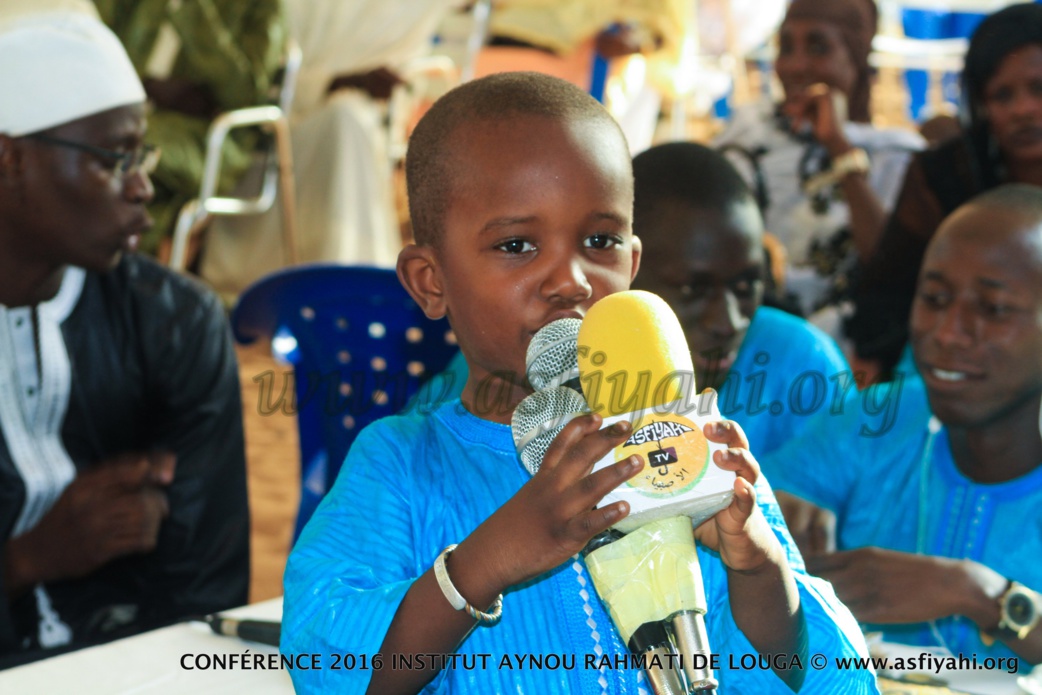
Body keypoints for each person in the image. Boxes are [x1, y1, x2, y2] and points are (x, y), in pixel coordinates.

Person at [281, 71, 876, 694]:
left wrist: (757, 564)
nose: (571, 280)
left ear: (634, 265)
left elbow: (824, 677)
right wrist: (485, 563)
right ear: (431, 281)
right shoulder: (400, 465)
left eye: (600, 240)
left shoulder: (681, 442)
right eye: (517, 244)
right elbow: (331, 666)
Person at [0, 8, 249, 662]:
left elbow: (206, 594)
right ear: (10, 158)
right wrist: (25, 558)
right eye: (115, 159)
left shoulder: (176, 322)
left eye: (143, 154)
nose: (143, 187)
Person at [761, 184, 1042, 668]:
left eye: (993, 309)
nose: (948, 332)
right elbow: (756, 502)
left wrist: (980, 595)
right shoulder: (877, 420)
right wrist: (767, 518)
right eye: (934, 297)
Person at [850, 2, 1042, 379]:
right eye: (1003, 95)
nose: (1024, 109)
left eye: (1039, 89)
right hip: (968, 366)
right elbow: (888, 288)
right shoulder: (945, 175)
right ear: (981, 104)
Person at [713, 0, 923, 335]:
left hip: (853, 359)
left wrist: (838, 146)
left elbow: (893, 269)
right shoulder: (747, 135)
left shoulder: (896, 156)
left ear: (855, 57)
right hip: (752, 343)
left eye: (818, 47)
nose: (796, 66)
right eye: (786, 46)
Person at [629, 142, 851, 458]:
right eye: (695, 290)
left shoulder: (805, 366)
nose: (729, 323)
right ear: (627, 271)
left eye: (746, 287)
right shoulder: (570, 376)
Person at [93, 0, 286, 257]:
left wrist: (193, 9)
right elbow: (95, 47)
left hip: (212, 137)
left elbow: (246, 93)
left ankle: (116, 266)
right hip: (130, 115)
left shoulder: (263, 6)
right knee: (89, 146)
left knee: (112, 149)